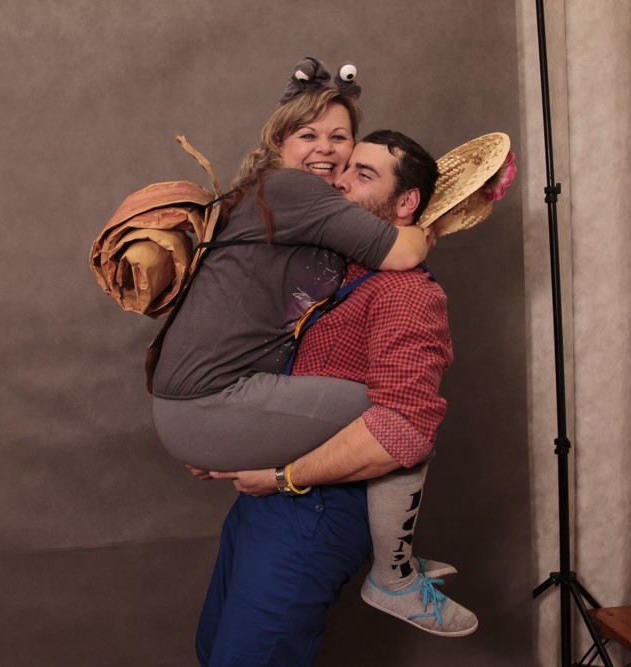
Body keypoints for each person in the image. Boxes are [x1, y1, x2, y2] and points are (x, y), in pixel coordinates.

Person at [149, 58, 474, 651]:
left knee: (402, 421)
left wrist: (273, 470)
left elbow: (403, 427)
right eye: (309, 135)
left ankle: (395, 575)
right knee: (219, 651)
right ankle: (395, 561)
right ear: (279, 142)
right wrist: (223, 437)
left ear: (406, 202)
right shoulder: (309, 223)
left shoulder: (401, 289)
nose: (337, 169)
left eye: (352, 159)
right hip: (246, 470)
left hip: (308, 507)